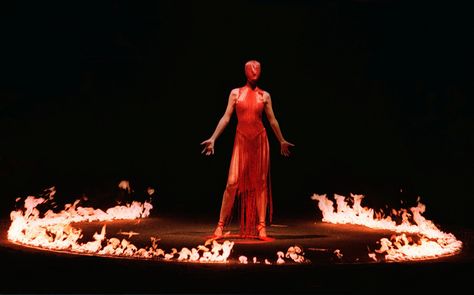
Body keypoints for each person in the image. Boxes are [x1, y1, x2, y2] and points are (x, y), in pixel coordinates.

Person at [201, 60, 294, 239]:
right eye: (251, 68)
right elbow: (226, 118)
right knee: (232, 182)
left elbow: (272, 120)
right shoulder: (235, 93)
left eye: (257, 68)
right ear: (245, 71)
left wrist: (281, 140)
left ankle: (261, 227)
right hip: (241, 141)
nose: (254, 71)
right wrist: (213, 138)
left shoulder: (264, 96)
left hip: (260, 141)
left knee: (260, 183)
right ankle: (220, 226)